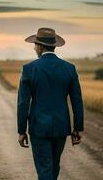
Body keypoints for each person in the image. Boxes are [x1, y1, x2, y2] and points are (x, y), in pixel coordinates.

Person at [17, 28, 84, 180]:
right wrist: (78, 128)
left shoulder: (29, 69)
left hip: (39, 128)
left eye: (35, 45)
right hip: (61, 126)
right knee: (54, 167)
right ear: (53, 45)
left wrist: (21, 130)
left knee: (45, 170)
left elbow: (23, 103)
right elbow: (77, 100)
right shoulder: (69, 69)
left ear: (40, 46)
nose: (34, 48)